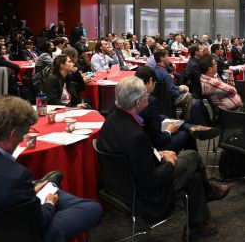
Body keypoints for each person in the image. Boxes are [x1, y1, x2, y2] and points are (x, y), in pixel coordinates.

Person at [0, 95, 102, 241]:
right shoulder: (15, 175)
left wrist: (27, 192)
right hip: (10, 233)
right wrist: (49, 204)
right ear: (13, 134)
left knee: (44, 189)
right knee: (91, 208)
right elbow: (38, 222)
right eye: (23, 134)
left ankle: (38, 189)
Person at [97, 77, 229, 239]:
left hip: (120, 185)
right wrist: (170, 163)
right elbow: (152, 181)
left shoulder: (110, 120)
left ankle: (197, 225)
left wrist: (158, 154)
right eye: (146, 95)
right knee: (192, 156)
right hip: (145, 195)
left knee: (194, 178)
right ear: (137, 102)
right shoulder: (135, 135)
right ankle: (208, 192)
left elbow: (135, 157)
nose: (149, 97)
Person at [135, 66, 219, 152]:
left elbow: (152, 119)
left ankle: (191, 127)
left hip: (141, 139)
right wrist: (169, 131)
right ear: (150, 81)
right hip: (155, 147)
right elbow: (159, 140)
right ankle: (195, 160)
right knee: (188, 135)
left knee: (163, 117)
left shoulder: (131, 96)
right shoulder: (149, 101)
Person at [153, 49, 193, 119]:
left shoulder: (153, 70)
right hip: (168, 101)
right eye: (167, 56)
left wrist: (179, 87)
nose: (169, 58)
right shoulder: (165, 75)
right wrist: (181, 90)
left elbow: (169, 88)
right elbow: (172, 94)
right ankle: (185, 119)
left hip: (158, 101)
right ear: (162, 58)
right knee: (189, 95)